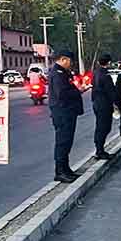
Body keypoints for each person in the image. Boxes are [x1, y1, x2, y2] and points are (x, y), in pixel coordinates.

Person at [48, 50, 85, 183]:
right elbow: (62, 93)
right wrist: (78, 91)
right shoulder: (58, 73)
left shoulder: (63, 73)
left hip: (67, 112)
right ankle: (60, 171)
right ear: (63, 59)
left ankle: (66, 168)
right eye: (70, 61)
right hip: (63, 112)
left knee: (67, 141)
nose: (71, 64)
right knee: (62, 142)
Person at [90, 54, 118, 160]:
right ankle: (100, 151)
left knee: (100, 127)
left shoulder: (96, 72)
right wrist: (117, 103)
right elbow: (111, 92)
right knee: (104, 128)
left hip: (97, 103)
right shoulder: (105, 75)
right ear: (109, 63)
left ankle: (99, 149)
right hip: (104, 105)